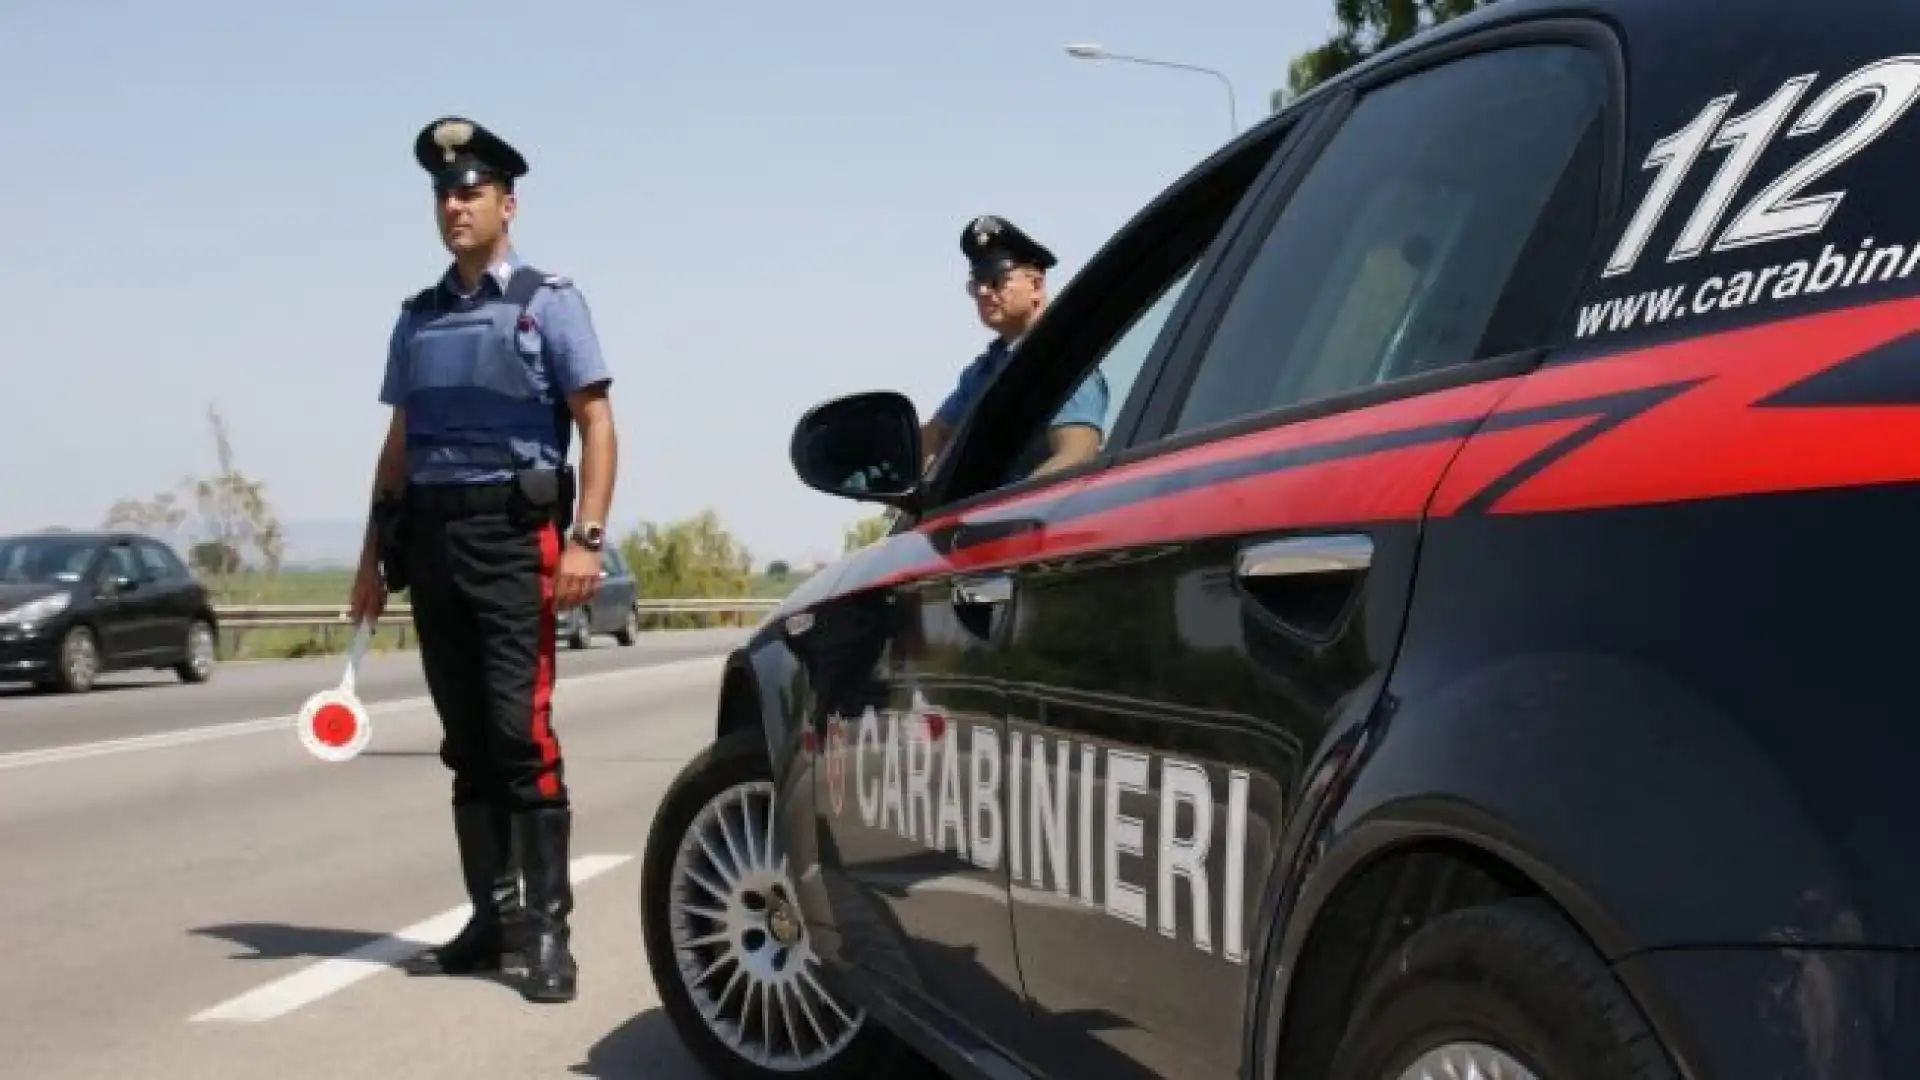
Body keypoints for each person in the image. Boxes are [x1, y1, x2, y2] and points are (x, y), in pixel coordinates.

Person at [347, 115, 618, 1005]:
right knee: (466, 743)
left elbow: (597, 423)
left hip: (517, 541)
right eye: (443, 193)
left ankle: (548, 935)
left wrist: (587, 539)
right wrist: (369, 559)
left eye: (471, 191)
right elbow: (398, 444)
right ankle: (490, 917)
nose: (455, 204)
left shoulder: (548, 302)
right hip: (432, 541)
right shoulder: (418, 318)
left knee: (520, 736)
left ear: (509, 202)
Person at [919, 215, 1108, 476]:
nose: (984, 292)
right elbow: (936, 433)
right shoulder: (986, 369)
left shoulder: (1063, 358)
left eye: (996, 280)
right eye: (977, 285)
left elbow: (1077, 454)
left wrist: (1016, 506)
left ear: (1036, 285)